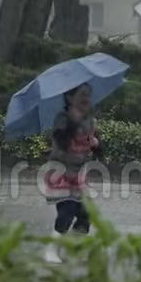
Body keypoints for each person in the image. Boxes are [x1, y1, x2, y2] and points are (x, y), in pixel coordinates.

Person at [44, 83, 102, 263]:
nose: (86, 99)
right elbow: (60, 140)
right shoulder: (62, 118)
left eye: (88, 95)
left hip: (79, 175)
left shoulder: (89, 120)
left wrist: (96, 143)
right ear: (70, 98)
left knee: (85, 214)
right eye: (82, 95)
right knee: (66, 211)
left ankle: (73, 249)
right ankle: (50, 250)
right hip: (61, 174)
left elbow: (96, 147)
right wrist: (72, 122)